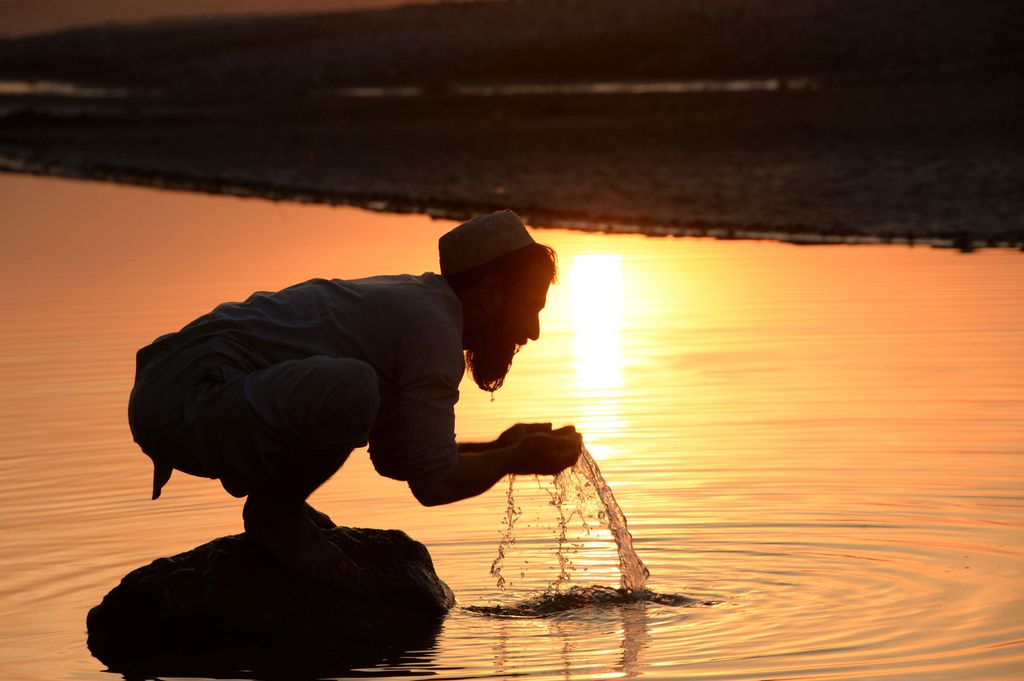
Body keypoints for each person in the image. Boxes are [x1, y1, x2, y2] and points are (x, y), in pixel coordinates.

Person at [128, 210, 582, 584]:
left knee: (352, 386)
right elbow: (433, 483)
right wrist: (511, 458)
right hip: (190, 393)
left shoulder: (422, 311)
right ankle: (276, 512)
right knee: (354, 387)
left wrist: (504, 448)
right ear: (491, 291)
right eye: (531, 308)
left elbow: (398, 458)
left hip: (178, 389)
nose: (533, 331)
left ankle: (280, 500)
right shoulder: (433, 328)